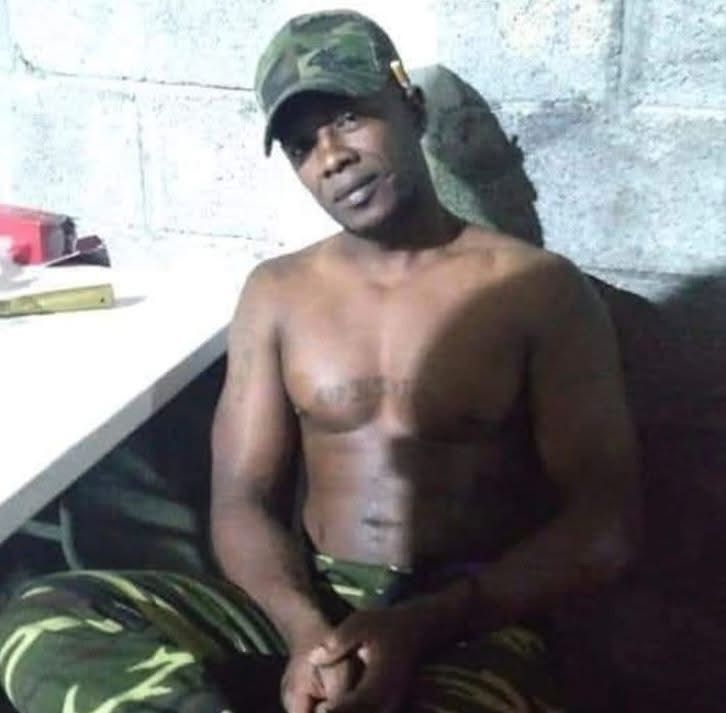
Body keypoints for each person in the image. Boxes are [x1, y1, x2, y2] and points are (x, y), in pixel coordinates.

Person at [0, 10, 640, 713]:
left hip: (474, 616)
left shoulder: (539, 290)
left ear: (411, 107)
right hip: (309, 600)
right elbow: (241, 499)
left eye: (349, 118)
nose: (331, 157)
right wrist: (304, 631)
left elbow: (604, 525)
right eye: (303, 145)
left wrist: (423, 621)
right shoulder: (278, 294)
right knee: (42, 620)